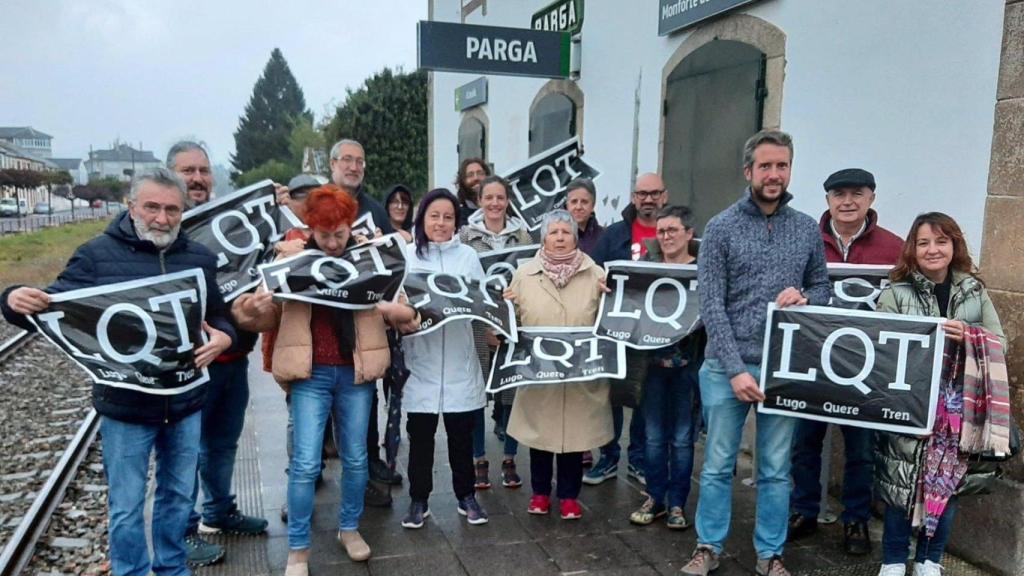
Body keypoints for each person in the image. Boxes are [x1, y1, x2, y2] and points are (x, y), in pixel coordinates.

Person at [2, 168, 236, 576]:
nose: (162, 219)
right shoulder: (95, 254)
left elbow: (218, 313)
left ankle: (172, 568)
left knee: (179, 498)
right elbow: (55, 307)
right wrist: (11, 300)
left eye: (171, 210)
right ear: (131, 207)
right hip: (126, 406)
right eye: (152, 208)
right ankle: (130, 571)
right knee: (126, 506)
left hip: (185, 401)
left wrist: (225, 337)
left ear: (183, 211)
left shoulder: (199, 258)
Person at [237, 186, 417, 574]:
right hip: (311, 372)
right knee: (304, 463)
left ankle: (349, 528)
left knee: (355, 460)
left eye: (339, 233)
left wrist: (394, 309)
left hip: (356, 373)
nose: (333, 242)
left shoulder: (373, 258)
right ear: (310, 228)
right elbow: (262, 318)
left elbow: (411, 314)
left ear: (350, 225)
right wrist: (253, 310)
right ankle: (298, 549)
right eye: (324, 234)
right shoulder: (291, 259)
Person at [681, 130, 830, 576]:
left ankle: (771, 553)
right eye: (765, 166)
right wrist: (733, 370)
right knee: (718, 466)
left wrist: (805, 297)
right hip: (727, 368)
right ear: (748, 171)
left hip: (783, 366)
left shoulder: (805, 228)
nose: (774, 174)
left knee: (775, 469)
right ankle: (708, 547)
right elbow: (711, 306)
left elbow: (823, 287)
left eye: (781, 165)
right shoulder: (721, 227)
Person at [875, 213, 1005, 576]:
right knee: (902, 479)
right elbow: (882, 351)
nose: (933, 249)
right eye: (923, 243)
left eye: (941, 241)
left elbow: (1002, 342)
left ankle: (930, 559)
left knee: (947, 484)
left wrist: (969, 335)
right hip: (910, 405)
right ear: (912, 251)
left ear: (954, 246)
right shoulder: (896, 293)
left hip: (958, 408)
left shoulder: (973, 291)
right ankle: (894, 559)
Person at [788, 167, 905, 554]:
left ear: (871, 198)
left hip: (867, 371)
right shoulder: (805, 240)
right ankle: (804, 509)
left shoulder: (895, 247)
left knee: (862, 449)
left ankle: (855, 519)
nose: (848, 201)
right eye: (839, 195)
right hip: (812, 363)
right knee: (805, 443)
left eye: (857, 193)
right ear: (828, 201)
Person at [165, 141, 271, 567]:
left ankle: (219, 510)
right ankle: (183, 533)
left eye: (203, 170)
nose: (197, 178)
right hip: (188, 368)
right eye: (187, 170)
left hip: (233, 359)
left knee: (223, 442)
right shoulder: (160, 229)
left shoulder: (230, 223)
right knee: (183, 451)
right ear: (169, 174)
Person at [504, 209, 613, 520]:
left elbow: (610, 319)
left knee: (575, 439)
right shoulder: (523, 275)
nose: (561, 238)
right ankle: (540, 493)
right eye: (554, 232)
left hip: (581, 374)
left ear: (576, 238)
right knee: (541, 437)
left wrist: (614, 295)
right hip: (540, 373)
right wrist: (504, 310)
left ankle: (569, 496)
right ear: (543, 238)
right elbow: (513, 322)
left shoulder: (597, 275)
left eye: (567, 232)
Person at [397, 188, 490, 529]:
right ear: (422, 219)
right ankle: (418, 499)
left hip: (458, 361)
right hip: (420, 361)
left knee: (461, 437)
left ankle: (466, 496)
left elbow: (483, 303)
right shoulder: (407, 256)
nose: (440, 222)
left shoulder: (467, 256)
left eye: (448, 217)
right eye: (433, 215)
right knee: (420, 438)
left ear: (456, 222)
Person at [328, 138, 403, 499]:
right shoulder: (317, 203)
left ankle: (369, 461)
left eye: (360, 161)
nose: (354, 166)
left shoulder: (374, 210)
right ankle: (308, 471)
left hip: (364, 317)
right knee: (312, 401)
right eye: (347, 160)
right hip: (323, 318)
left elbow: (392, 263)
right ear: (332, 164)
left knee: (367, 391)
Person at [586, 173, 669, 486]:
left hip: (660, 333)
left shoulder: (675, 232)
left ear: (665, 195)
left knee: (647, 399)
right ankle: (608, 457)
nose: (648, 199)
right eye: (642, 193)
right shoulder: (615, 234)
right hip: (619, 331)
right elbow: (594, 270)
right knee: (613, 397)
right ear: (634, 197)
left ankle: (638, 460)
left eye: (654, 193)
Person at [628, 205, 705, 530]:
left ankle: (677, 502)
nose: (666, 236)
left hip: (690, 367)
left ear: (689, 233)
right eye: (661, 231)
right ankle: (655, 496)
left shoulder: (704, 270)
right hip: (653, 367)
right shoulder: (646, 269)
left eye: (673, 230)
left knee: (684, 439)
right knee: (654, 437)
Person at [458, 175, 533, 490]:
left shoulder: (523, 235)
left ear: (507, 200)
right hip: (479, 324)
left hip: (514, 325)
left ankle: (509, 458)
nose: (494, 203)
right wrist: (487, 326)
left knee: (511, 395)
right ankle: (479, 460)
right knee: (478, 395)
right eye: (488, 197)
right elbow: (462, 286)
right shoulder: (465, 237)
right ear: (479, 200)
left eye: (500, 197)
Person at [565, 177, 604, 256]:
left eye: (584, 202)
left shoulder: (605, 237)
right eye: (574, 201)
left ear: (593, 206)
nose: (578, 207)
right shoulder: (555, 237)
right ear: (567, 205)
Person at [454, 157, 491, 223]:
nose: (476, 178)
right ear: (462, 181)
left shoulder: (499, 208)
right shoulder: (458, 215)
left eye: (480, 173)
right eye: (470, 175)